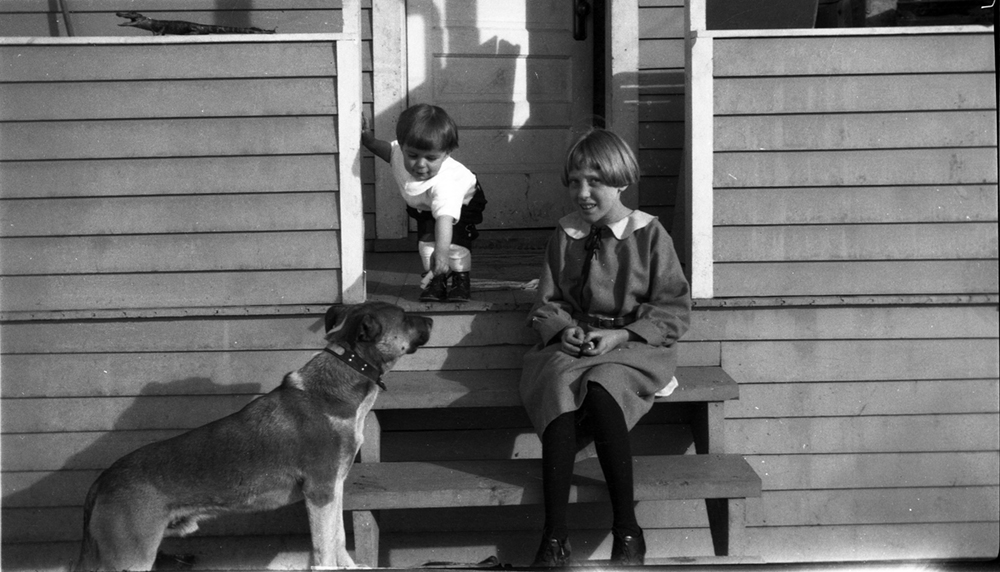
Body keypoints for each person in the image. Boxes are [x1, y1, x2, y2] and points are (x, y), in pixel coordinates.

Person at [520, 128, 691, 566]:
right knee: (558, 390)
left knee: (603, 386)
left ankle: (627, 530)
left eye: (594, 181)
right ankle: (554, 538)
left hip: (634, 345)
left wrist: (622, 335)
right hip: (578, 343)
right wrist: (562, 330)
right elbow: (547, 302)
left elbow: (673, 308)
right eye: (575, 181)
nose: (583, 192)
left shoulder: (649, 234)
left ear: (620, 181)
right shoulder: (565, 234)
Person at [361, 104, 487, 302]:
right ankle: (437, 280)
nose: (420, 164)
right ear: (402, 146)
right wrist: (368, 140)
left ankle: (461, 281)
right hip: (426, 205)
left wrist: (443, 254)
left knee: (455, 244)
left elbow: (445, 219)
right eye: (412, 156)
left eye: (431, 158)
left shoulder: (448, 183)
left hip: (461, 205)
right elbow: (387, 151)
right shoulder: (399, 153)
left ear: (447, 153)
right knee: (426, 244)